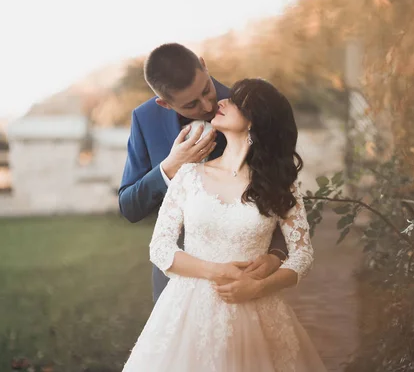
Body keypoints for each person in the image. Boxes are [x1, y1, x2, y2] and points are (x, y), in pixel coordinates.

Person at [122, 78, 327, 371]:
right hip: (189, 312)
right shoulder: (189, 175)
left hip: (257, 308)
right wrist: (217, 271)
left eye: (235, 102)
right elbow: (160, 248)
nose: (221, 101)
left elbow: (303, 254)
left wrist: (259, 287)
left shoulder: (280, 184)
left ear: (254, 121)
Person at [118, 43, 288, 302]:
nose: (208, 105)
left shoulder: (247, 108)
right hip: (175, 284)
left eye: (207, 90)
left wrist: (275, 256)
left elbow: (282, 194)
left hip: (244, 279)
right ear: (164, 104)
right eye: (191, 104)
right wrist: (170, 167)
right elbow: (129, 207)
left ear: (204, 65)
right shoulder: (145, 119)